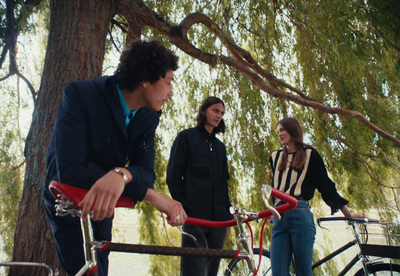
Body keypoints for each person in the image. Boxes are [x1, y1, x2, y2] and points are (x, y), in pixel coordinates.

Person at [44, 39, 187, 276]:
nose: (171, 93)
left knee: (102, 270)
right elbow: (70, 170)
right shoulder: (80, 94)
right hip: (67, 203)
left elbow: (145, 173)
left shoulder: (149, 116)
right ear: (145, 79)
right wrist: (148, 194)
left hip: (105, 204)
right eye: (168, 82)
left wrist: (123, 174)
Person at [269, 117, 362, 276]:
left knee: (303, 271)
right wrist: (273, 210)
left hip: (300, 214)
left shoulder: (310, 155)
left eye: (283, 130)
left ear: (293, 130)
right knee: (278, 272)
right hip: (280, 216)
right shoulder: (274, 157)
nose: (280, 134)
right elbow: (276, 187)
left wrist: (349, 215)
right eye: (278, 131)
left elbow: (326, 188)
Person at [166, 96, 233, 276]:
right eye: (215, 110)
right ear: (204, 111)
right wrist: (184, 206)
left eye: (222, 113)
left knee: (211, 270)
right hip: (194, 216)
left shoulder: (220, 147)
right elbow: (173, 176)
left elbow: (223, 182)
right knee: (193, 269)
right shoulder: (186, 137)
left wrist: (228, 210)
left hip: (219, 219)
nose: (219, 116)